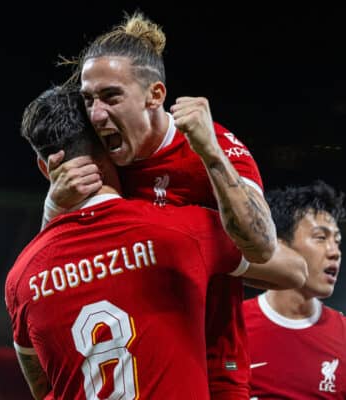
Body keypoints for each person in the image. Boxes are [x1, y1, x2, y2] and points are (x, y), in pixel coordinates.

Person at [44, 11, 305, 398]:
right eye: (88, 99)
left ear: (155, 95)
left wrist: (211, 155)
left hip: (213, 368)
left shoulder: (210, 146)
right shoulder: (97, 161)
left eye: (111, 96)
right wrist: (52, 208)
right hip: (130, 372)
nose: (97, 114)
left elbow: (263, 245)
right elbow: (60, 270)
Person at [243, 181, 346, 399]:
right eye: (321, 238)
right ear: (280, 246)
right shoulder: (232, 324)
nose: (334, 252)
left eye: (337, 241)